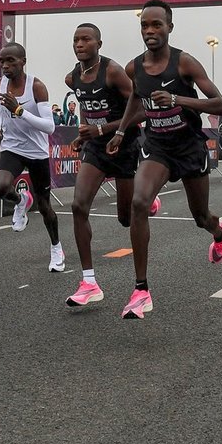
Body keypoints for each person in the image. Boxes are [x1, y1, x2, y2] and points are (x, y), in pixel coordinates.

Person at [107, 0, 222, 319]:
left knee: (200, 217)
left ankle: (219, 233)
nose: (149, 31)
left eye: (156, 25)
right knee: (139, 202)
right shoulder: (134, 67)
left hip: (189, 148)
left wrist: (177, 98)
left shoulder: (185, 63)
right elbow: (135, 95)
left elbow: (220, 105)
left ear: (170, 28)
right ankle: (141, 290)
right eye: (144, 25)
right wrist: (120, 131)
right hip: (158, 147)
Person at [64, 23, 149, 307]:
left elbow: (141, 110)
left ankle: (144, 195)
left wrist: (105, 131)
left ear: (99, 43)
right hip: (96, 150)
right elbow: (87, 110)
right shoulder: (72, 78)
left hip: (124, 146)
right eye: (76, 39)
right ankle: (89, 282)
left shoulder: (113, 72)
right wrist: (83, 132)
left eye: (86, 39)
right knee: (78, 206)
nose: (79, 44)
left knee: (126, 219)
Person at [0, 42, 65, 272]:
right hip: (12, 147)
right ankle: (21, 201)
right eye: (2, 61)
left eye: (11, 61)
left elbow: (49, 127)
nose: (5, 66)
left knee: (45, 207)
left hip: (37, 152)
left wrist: (19, 111)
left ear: (23, 61)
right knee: (1, 187)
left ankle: (56, 248)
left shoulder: (37, 87)